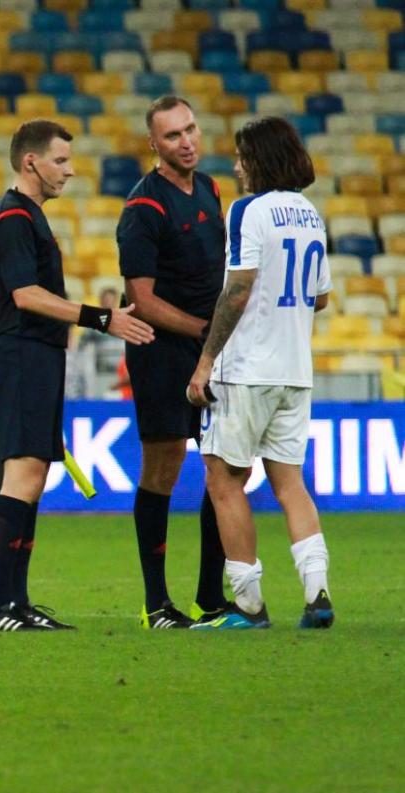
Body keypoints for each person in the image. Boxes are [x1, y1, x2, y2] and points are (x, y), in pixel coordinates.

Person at [0, 119, 155, 633]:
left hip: (38, 355)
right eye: (60, 161)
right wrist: (100, 318)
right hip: (22, 353)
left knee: (34, 476)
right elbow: (25, 295)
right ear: (30, 161)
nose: (69, 171)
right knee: (22, 475)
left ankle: (17, 602)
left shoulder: (28, 216)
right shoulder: (13, 217)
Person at [187, 117, 334, 631]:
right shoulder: (311, 214)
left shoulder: (248, 210)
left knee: (224, 479)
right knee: (290, 482)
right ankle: (317, 593)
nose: (236, 166)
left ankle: (249, 606)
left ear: (260, 159)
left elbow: (238, 289)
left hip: (246, 368)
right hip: (295, 369)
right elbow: (320, 297)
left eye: (242, 156)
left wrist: (206, 361)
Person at [115, 95, 230, 629]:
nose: (186, 142)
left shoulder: (210, 189)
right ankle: (156, 602)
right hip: (161, 350)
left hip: (209, 347)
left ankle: (210, 597)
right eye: (172, 135)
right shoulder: (143, 207)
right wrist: (206, 331)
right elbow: (141, 300)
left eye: (190, 130)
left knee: (223, 464)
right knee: (163, 465)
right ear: (153, 144)